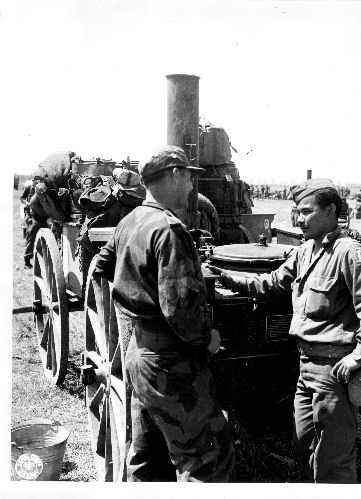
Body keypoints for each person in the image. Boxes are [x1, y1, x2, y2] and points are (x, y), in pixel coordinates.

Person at [210, 178, 361, 483]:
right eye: (297, 212)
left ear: (331, 210)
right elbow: (270, 283)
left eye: (306, 211)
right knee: (304, 443)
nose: (298, 218)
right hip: (305, 367)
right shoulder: (305, 251)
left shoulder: (349, 253)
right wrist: (226, 277)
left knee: (334, 457)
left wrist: (359, 355)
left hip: (334, 371)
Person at [93, 145, 234, 482]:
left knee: (148, 457)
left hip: (139, 356)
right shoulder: (169, 230)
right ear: (173, 175)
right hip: (172, 364)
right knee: (207, 457)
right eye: (188, 177)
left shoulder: (130, 220)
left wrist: (136, 290)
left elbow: (101, 265)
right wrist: (208, 339)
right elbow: (181, 310)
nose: (190, 186)